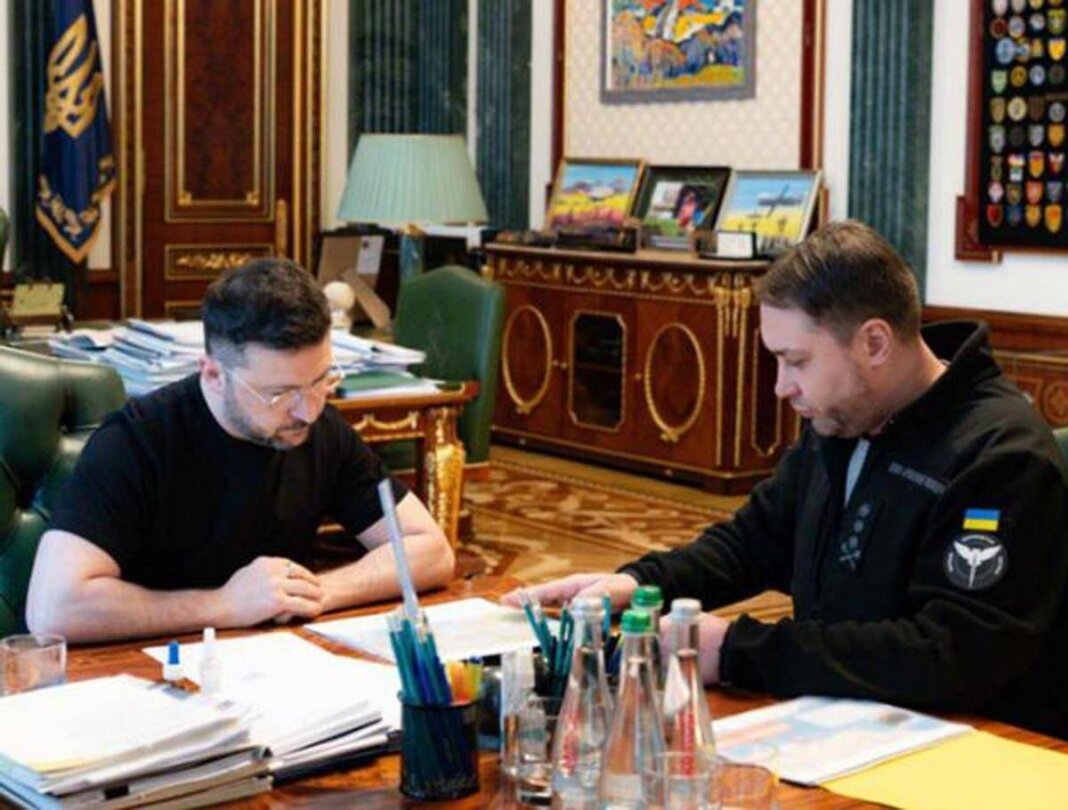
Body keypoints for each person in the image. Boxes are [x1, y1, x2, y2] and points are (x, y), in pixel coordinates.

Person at [506, 220, 1068, 740]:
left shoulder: (1002, 457)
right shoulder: (843, 415)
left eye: (796, 361)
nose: (781, 387)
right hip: (842, 722)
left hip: (978, 745)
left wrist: (737, 650)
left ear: (874, 343)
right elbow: (755, 541)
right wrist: (638, 584)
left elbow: (952, 654)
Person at [26, 258, 454, 643]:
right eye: (280, 393)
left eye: (321, 381)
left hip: (270, 660)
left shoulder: (319, 429)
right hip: (153, 668)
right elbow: (53, 610)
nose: (307, 410)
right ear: (214, 375)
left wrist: (315, 592)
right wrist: (225, 605)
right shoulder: (136, 441)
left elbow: (430, 550)